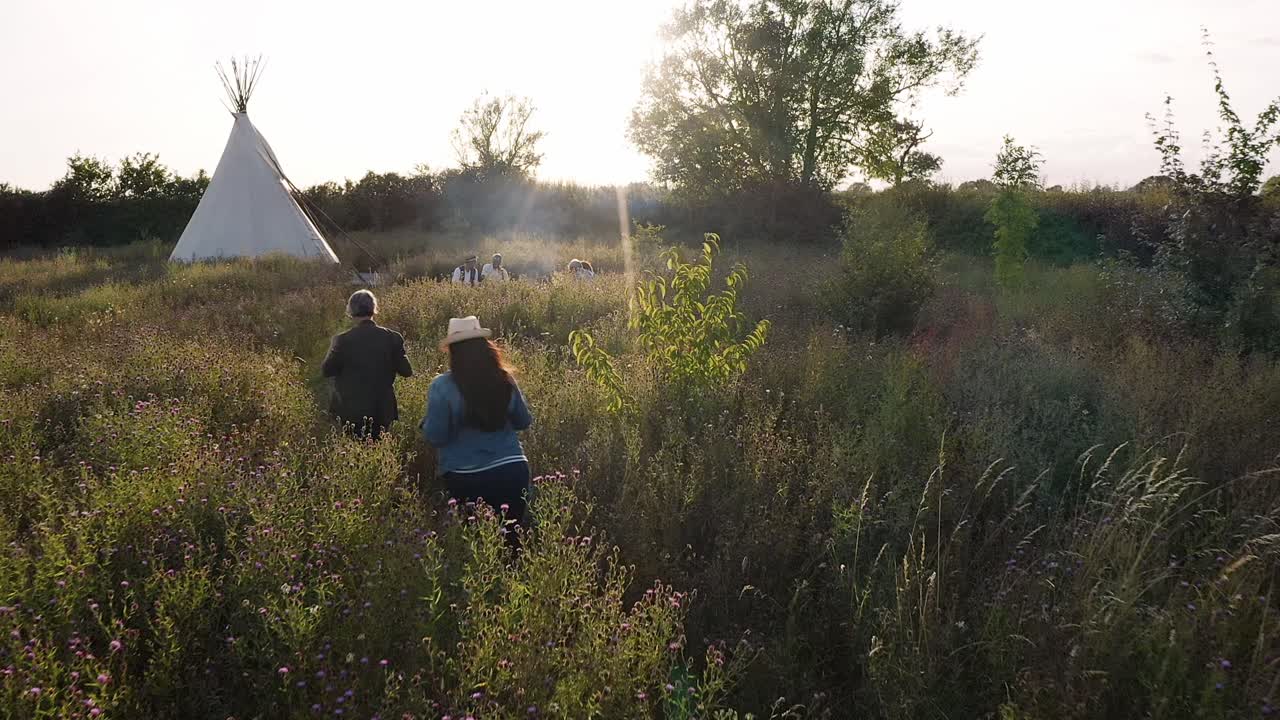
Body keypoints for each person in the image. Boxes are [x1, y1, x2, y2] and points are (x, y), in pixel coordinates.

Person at [421, 316, 533, 530]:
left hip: (466, 474)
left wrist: (426, 424)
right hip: (513, 469)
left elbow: (436, 436)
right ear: (486, 347)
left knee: (478, 544)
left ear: (453, 351)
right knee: (511, 539)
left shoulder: (442, 386)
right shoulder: (504, 379)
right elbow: (523, 421)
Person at [321, 290, 413, 440]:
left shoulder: (342, 340)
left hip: (350, 411)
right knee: (378, 452)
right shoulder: (392, 338)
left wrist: (332, 347)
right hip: (381, 410)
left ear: (350, 311)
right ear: (374, 309)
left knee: (354, 454)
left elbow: (327, 371)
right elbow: (407, 371)